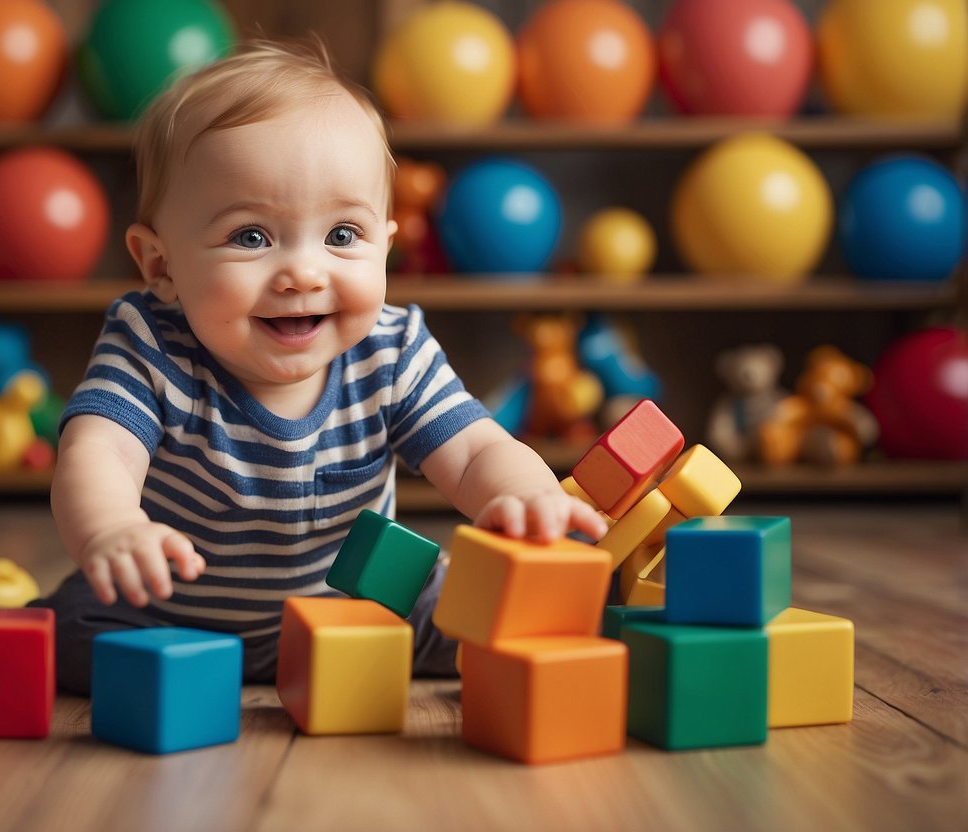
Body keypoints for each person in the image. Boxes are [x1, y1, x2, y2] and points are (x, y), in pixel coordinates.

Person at [31, 39, 608, 694]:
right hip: (164, 613)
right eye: (251, 236)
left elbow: (475, 451)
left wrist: (524, 496)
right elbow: (97, 453)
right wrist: (113, 530)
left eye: (341, 236)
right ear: (160, 266)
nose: (304, 272)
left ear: (385, 249)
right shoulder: (150, 346)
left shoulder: (391, 350)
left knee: (491, 616)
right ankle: (169, 664)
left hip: (359, 611)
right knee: (62, 640)